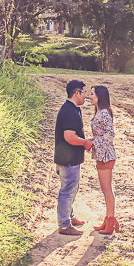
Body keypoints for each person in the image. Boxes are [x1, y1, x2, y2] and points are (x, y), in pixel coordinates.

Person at [54, 80, 92, 235]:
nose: (86, 96)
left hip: (67, 158)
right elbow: (69, 136)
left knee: (71, 189)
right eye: (84, 93)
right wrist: (85, 143)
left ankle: (69, 217)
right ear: (77, 93)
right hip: (67, 160)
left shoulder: (71, 109)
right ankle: (64, 225)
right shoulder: (70, 112)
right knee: (67, 191)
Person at [89, 85, 120, 234]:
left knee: (107, 190)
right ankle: (108, 219)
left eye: (92, 94)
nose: (90, 96)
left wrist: (93, 143)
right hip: (101, 156)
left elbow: (110, 135)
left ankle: (111, 222)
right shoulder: (100, 112)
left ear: (99, 96)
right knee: (105, 189)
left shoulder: (105, 114)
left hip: (106, 156)